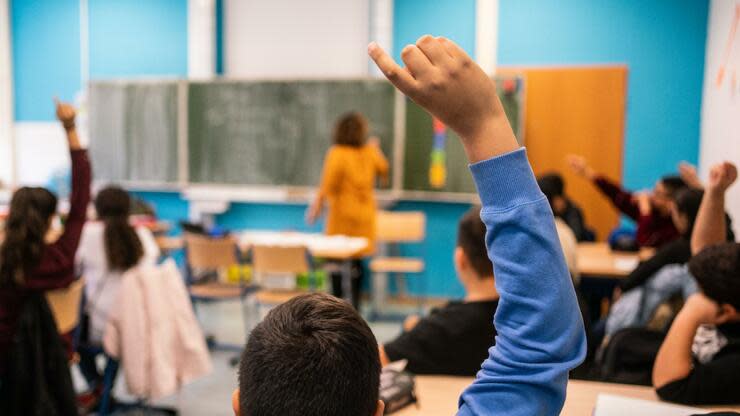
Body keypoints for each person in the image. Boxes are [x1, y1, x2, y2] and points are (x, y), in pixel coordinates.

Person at [233, 35, 586, 416]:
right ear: (379, 411)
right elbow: (539, 349)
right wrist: (485, 123)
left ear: (237, 407)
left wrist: (317, 207)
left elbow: (326, 187)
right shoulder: (364, 155)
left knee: (346, 276)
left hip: (344, 223)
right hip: (360, 223)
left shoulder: (341, 155)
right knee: (353, 276)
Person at [0, 101, 91, 408]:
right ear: (50, 219)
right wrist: (70, 129)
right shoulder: (56, 260)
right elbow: (80, 201)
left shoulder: (6, 259)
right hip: (44, 365)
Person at [653, 162, 740, 405]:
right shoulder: (730, 291)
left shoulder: (733, 364)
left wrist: (691, 312)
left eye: (701, 292)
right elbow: (705, 253)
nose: (697, 292)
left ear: (727, 311)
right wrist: (715, 192)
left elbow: (670, 386)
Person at [379, 207, 498, 376]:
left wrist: (413, 332)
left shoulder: (436, 331)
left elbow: (377, 360)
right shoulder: (526, 321)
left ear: (461, 259)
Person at [75, 186, 160, 394]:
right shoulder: (142, 236)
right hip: (138, 326)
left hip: (99, 329)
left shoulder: (87, 235)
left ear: (97, 208)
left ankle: (98, 388)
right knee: (120, 340)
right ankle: (102, 391)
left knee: (72, 340)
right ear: (128, 208)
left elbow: (74, 270)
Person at [306, 112, 389, 308]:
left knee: (336, 264)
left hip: (341, 217)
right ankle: (355, 308)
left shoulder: (337, 153)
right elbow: (384, 169)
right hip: (364, 218)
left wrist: (316, 208)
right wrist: (376, 149)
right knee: (356, 263)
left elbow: (327, 185)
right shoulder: (369, 152)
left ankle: (336, 307)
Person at [567, 155, 687, 248]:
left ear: (671, 201)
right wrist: (587, 172)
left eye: (658, 193)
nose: (651, 195)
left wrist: (645, 211)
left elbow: (645, 242)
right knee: (617, 234)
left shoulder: (677, 224)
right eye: (654, 190)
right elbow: (618, 196)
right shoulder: (655, 209)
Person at [537, 172, 595, 242]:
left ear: (558, 199)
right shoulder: (543, 212)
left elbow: (574, 237)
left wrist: (561, 213)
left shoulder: (572, 212)